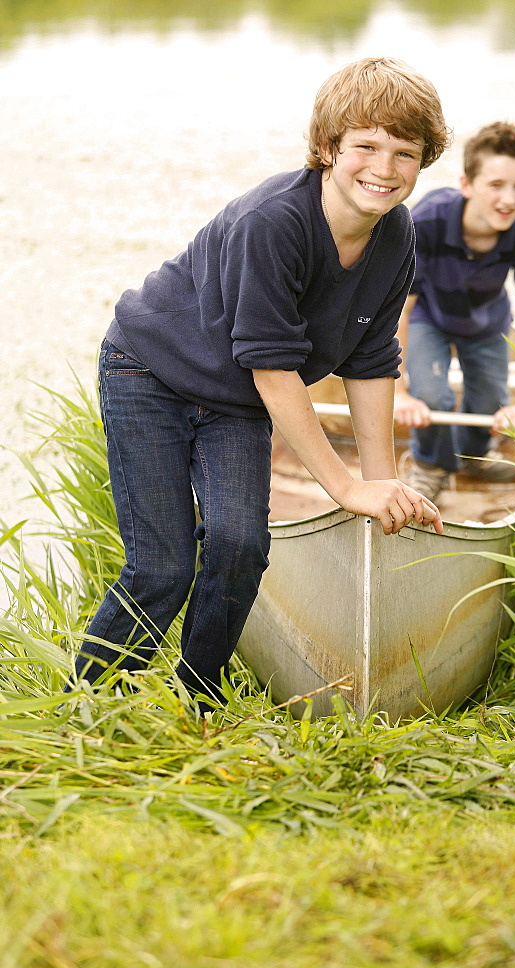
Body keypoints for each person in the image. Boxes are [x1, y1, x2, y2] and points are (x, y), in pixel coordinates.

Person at [71, 56, 450, 711]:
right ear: (329, 149)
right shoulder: (273, 222)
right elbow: (274, 370)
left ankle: (198, 701)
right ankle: (85, 705)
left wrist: (379, 484)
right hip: (150, 373)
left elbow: (369, 361)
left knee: (241, 546)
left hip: (233, 399)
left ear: (424, 161)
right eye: (366, 146)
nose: (384, 169)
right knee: (162, 566)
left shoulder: (397, 236)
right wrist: (343, 484)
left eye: (404, 153)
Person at [394, 121, 515, 501]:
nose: (509, 199)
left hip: (486, 319)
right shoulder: (426, 222)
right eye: (495, 185)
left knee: (491, 401)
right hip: (430, 315)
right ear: (467, 185)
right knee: (430, 397)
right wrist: (397, 392)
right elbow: (397, 309)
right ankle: (430, 464)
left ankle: (474, 455)